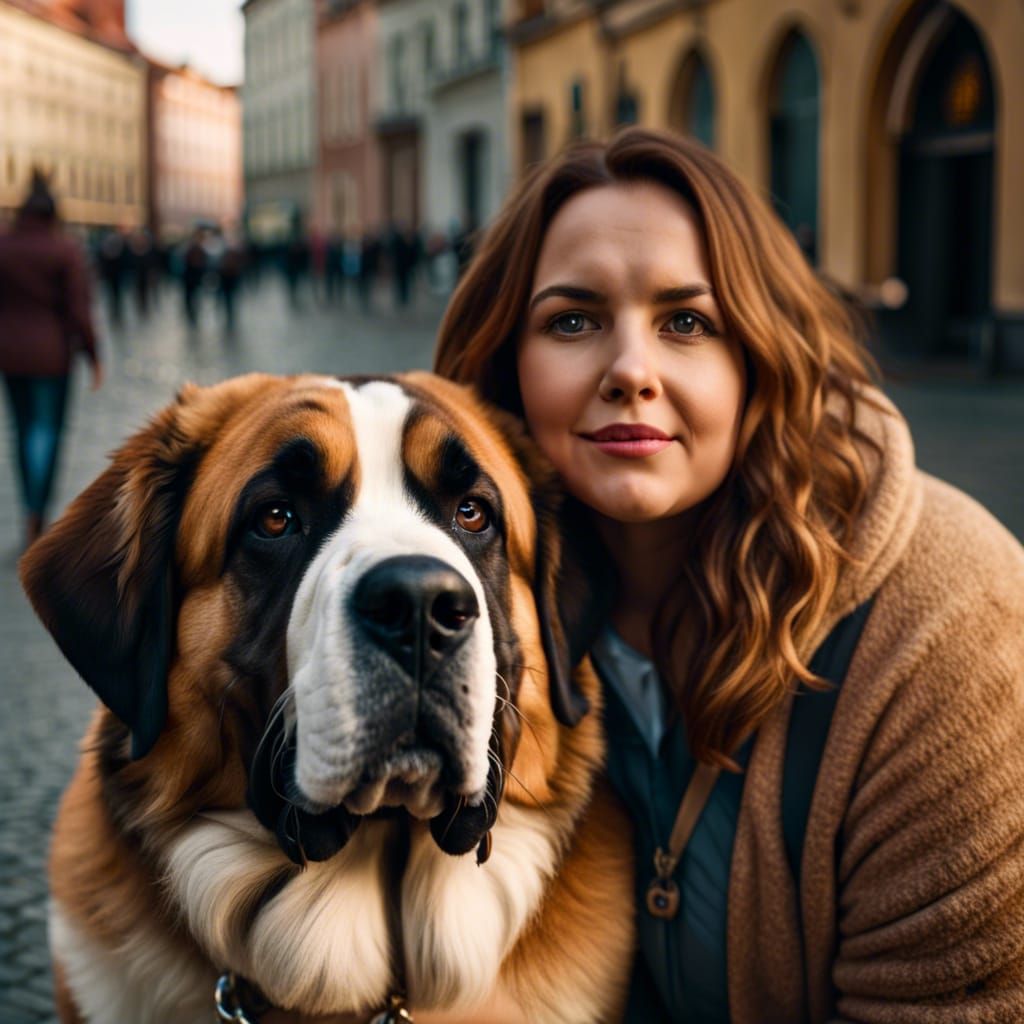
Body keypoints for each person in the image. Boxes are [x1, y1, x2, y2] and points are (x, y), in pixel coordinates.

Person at [432, 128, 1024, 1021]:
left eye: (687, 322)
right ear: (505, 367)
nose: (631, 370)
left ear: (758, 358)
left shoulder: (951, 623)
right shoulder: (466, 614)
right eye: (573, 320)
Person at [0, 173, 103, 548]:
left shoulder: (5, 245)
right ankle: (36, 512)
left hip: (9, 355)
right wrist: (93, 356)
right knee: (45, 431)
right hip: (51, 356)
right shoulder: (64, 249)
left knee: (23, 429)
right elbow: (80, 309)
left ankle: (30, 506)